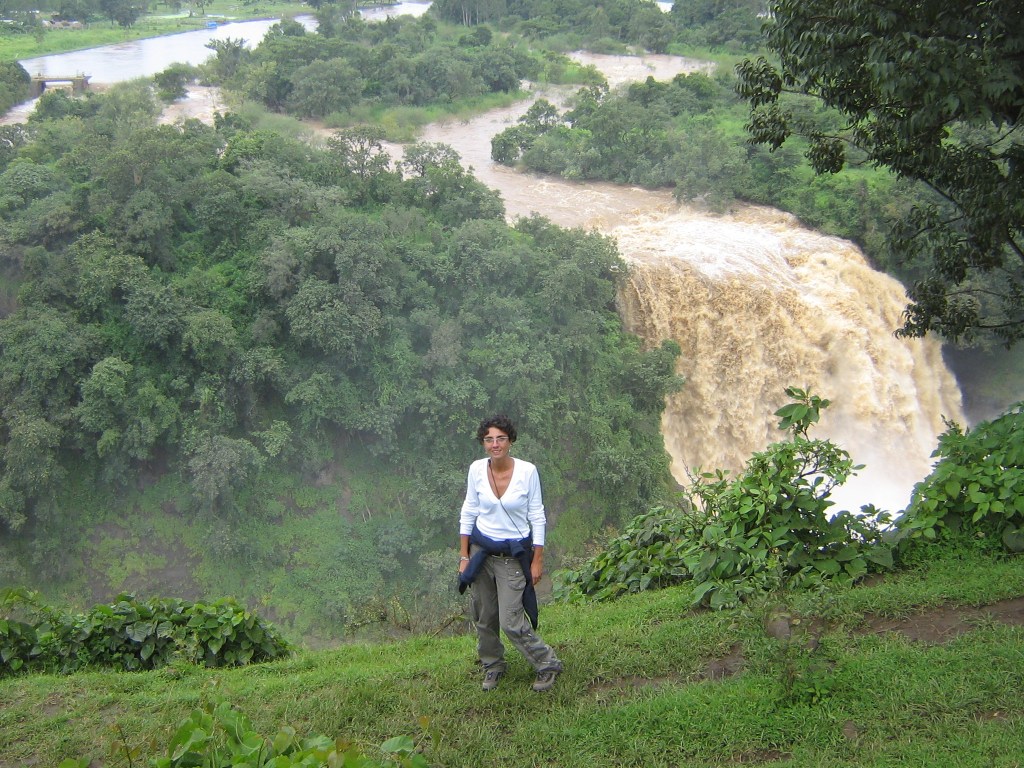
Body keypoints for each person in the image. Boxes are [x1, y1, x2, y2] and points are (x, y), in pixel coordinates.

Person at [457, 414, 563, 692]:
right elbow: (469, 510)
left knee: (511, 621)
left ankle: (547, 662)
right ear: (483, 443)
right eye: (489, 439)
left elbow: (537, 515)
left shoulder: (527, 472)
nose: (495, 444)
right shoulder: (476, 470)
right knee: (485, 615)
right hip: (482, 553)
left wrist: (537, 559)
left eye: (500, 438)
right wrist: (464, 555)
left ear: (510, 441)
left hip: (512, 556)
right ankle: (492, 665)